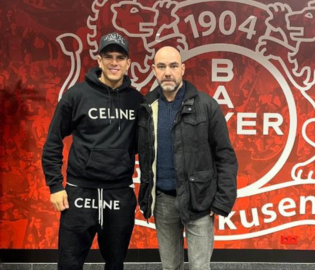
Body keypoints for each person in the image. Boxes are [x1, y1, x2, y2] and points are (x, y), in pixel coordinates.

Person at [42, 32, 143, 270]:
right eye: (108, 56)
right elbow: (53, 141)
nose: (114, 62)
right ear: (99, 60)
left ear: (128, 63)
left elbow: (145, 146)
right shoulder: (77, 96)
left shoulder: (137, 101)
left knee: (115, 264)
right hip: (79, 192)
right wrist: (55, 186)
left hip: (119, 193)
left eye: (120, 57)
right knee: (69, 265)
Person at [137, 46, 238, 270]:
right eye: (161, 67)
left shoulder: (207, 106)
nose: (168, 72)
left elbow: (225, 156)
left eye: (173, 66)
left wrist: (222, 200)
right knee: (170, 266)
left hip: (199, 201)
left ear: (182, 68)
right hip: (163, 201)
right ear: (154, 70)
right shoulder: (146, 107)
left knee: (200, 267)